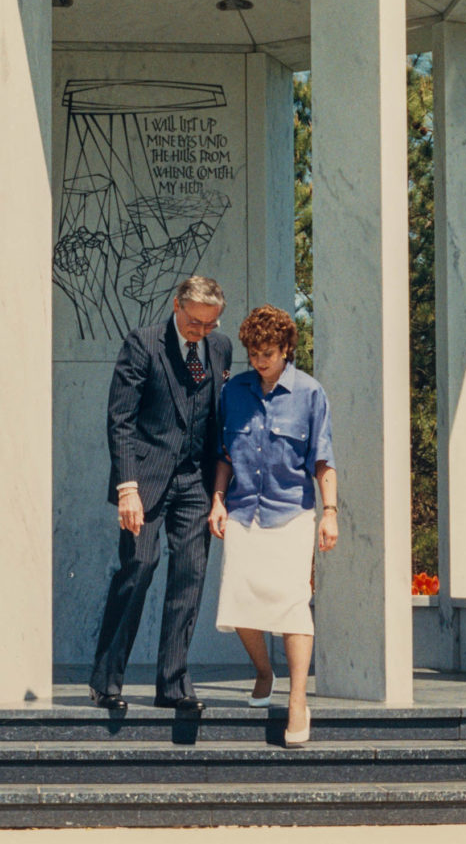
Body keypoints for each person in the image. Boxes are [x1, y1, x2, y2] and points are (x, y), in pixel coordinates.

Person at [88, 276, 233, 712]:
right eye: (194, 322)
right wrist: (127, 487)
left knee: (190, 576)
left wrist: (220, 494)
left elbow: (216, 420)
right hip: (146, 481)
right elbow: (121, 420)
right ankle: (106, 681)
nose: (200, 332)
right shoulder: (143, 344)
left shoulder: (221, 348)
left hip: (195, 481)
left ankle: (173, 685)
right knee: (139, 566)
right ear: (176, 306)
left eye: (209, 325)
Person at [208, 304, 337, 747]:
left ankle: (298, 700)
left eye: (269, 352)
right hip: (244, 511)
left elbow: (323, 459)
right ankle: (265, 671)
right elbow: (225, 455)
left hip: (292, 514)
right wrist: (218, 501)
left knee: (292, 604)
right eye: (254, 353)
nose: (261, 360)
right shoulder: (235, 392)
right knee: (239, 602)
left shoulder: (310, 393)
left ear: (286, 349)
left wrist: (330, 513)